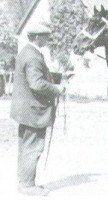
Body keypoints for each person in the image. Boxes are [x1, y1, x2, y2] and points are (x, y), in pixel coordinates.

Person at [10, 23, 65, 196]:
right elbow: (36, 83)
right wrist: (57, 89)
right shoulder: (33, 56)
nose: (47, 39)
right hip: (33, 111)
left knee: (26, 146)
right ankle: (27, 186)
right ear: (36, 37)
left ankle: (25, 182)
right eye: (45, 36)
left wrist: (53, 77)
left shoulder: (27, 52)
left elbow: (34, 79)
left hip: (26, 110)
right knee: (33, 147)